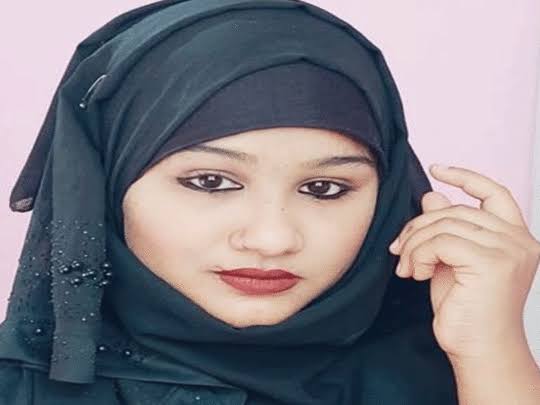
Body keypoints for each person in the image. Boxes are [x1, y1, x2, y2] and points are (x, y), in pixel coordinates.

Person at [1, 1, 539, 404]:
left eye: (324, 189)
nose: (272, 238)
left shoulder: (464, 377)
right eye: (210, 182)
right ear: (105, 186)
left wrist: (492, 353)